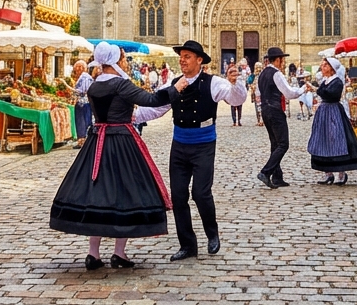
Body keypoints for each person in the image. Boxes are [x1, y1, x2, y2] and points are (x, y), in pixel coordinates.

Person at [50, 43, 189, 269]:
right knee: (125, 194)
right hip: (121, 140)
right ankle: (119, 252)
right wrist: (176, 88)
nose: (125, 63)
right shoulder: (120, 85)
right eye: (123, 59)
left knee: (97, 194)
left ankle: (93, 253)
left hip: (97, 141)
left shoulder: (94, 86)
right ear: (115, 61)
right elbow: (151, 100)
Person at [133, 40, 246, 260]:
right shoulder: (174, 84)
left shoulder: (213, 83)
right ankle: (187, 245)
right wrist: (130, 115)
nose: (182, 61)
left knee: (201, 193)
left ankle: (212, 234)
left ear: (199, 60)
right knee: (178, 195)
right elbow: (157, 109)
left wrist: (236, 82)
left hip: (204, 144)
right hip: (180, 145)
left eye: (187, 57)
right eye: (181, 57)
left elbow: (236, 99)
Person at [308, 56, 357, 185]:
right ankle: (327, 173)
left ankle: (341, 173)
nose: (322, 67)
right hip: (324, 112)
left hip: (333, 112)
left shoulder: (337, 82)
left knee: (337, 139)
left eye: (325, 65)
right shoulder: (326, 81)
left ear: (331, 69)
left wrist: (316, 89)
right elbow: (322, 92)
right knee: (323, 140)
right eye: (322, 65)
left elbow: (329, 94)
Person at [256, 47, 307, 188]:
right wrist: (303, 89)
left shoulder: (262, 74)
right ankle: (266, 172)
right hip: (275, 111)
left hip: (266, 111)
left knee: (275, 144)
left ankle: (277, 177)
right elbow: (289, 93)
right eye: (283, 60)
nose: (284, 63)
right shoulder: (276, 74)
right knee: (283, 144)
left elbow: (258, 93)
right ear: (278, 60)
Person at [73, 60, 93, 148]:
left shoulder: (84, 77)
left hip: (82, 103)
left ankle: (82, 141)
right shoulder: (85, 77)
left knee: (81, 121)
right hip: (85, 102)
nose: (77, 70)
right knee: (84, 121)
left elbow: (82, 91)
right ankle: (84, 140)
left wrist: (66, 85)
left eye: (78, 68)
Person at [229, 62, 247, 126]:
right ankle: (236, 121)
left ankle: (237, 121)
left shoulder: (240, 78)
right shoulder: (231, 78)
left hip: (237, 95)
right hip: (235, 95)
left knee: (237, 108)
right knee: (236, 108)